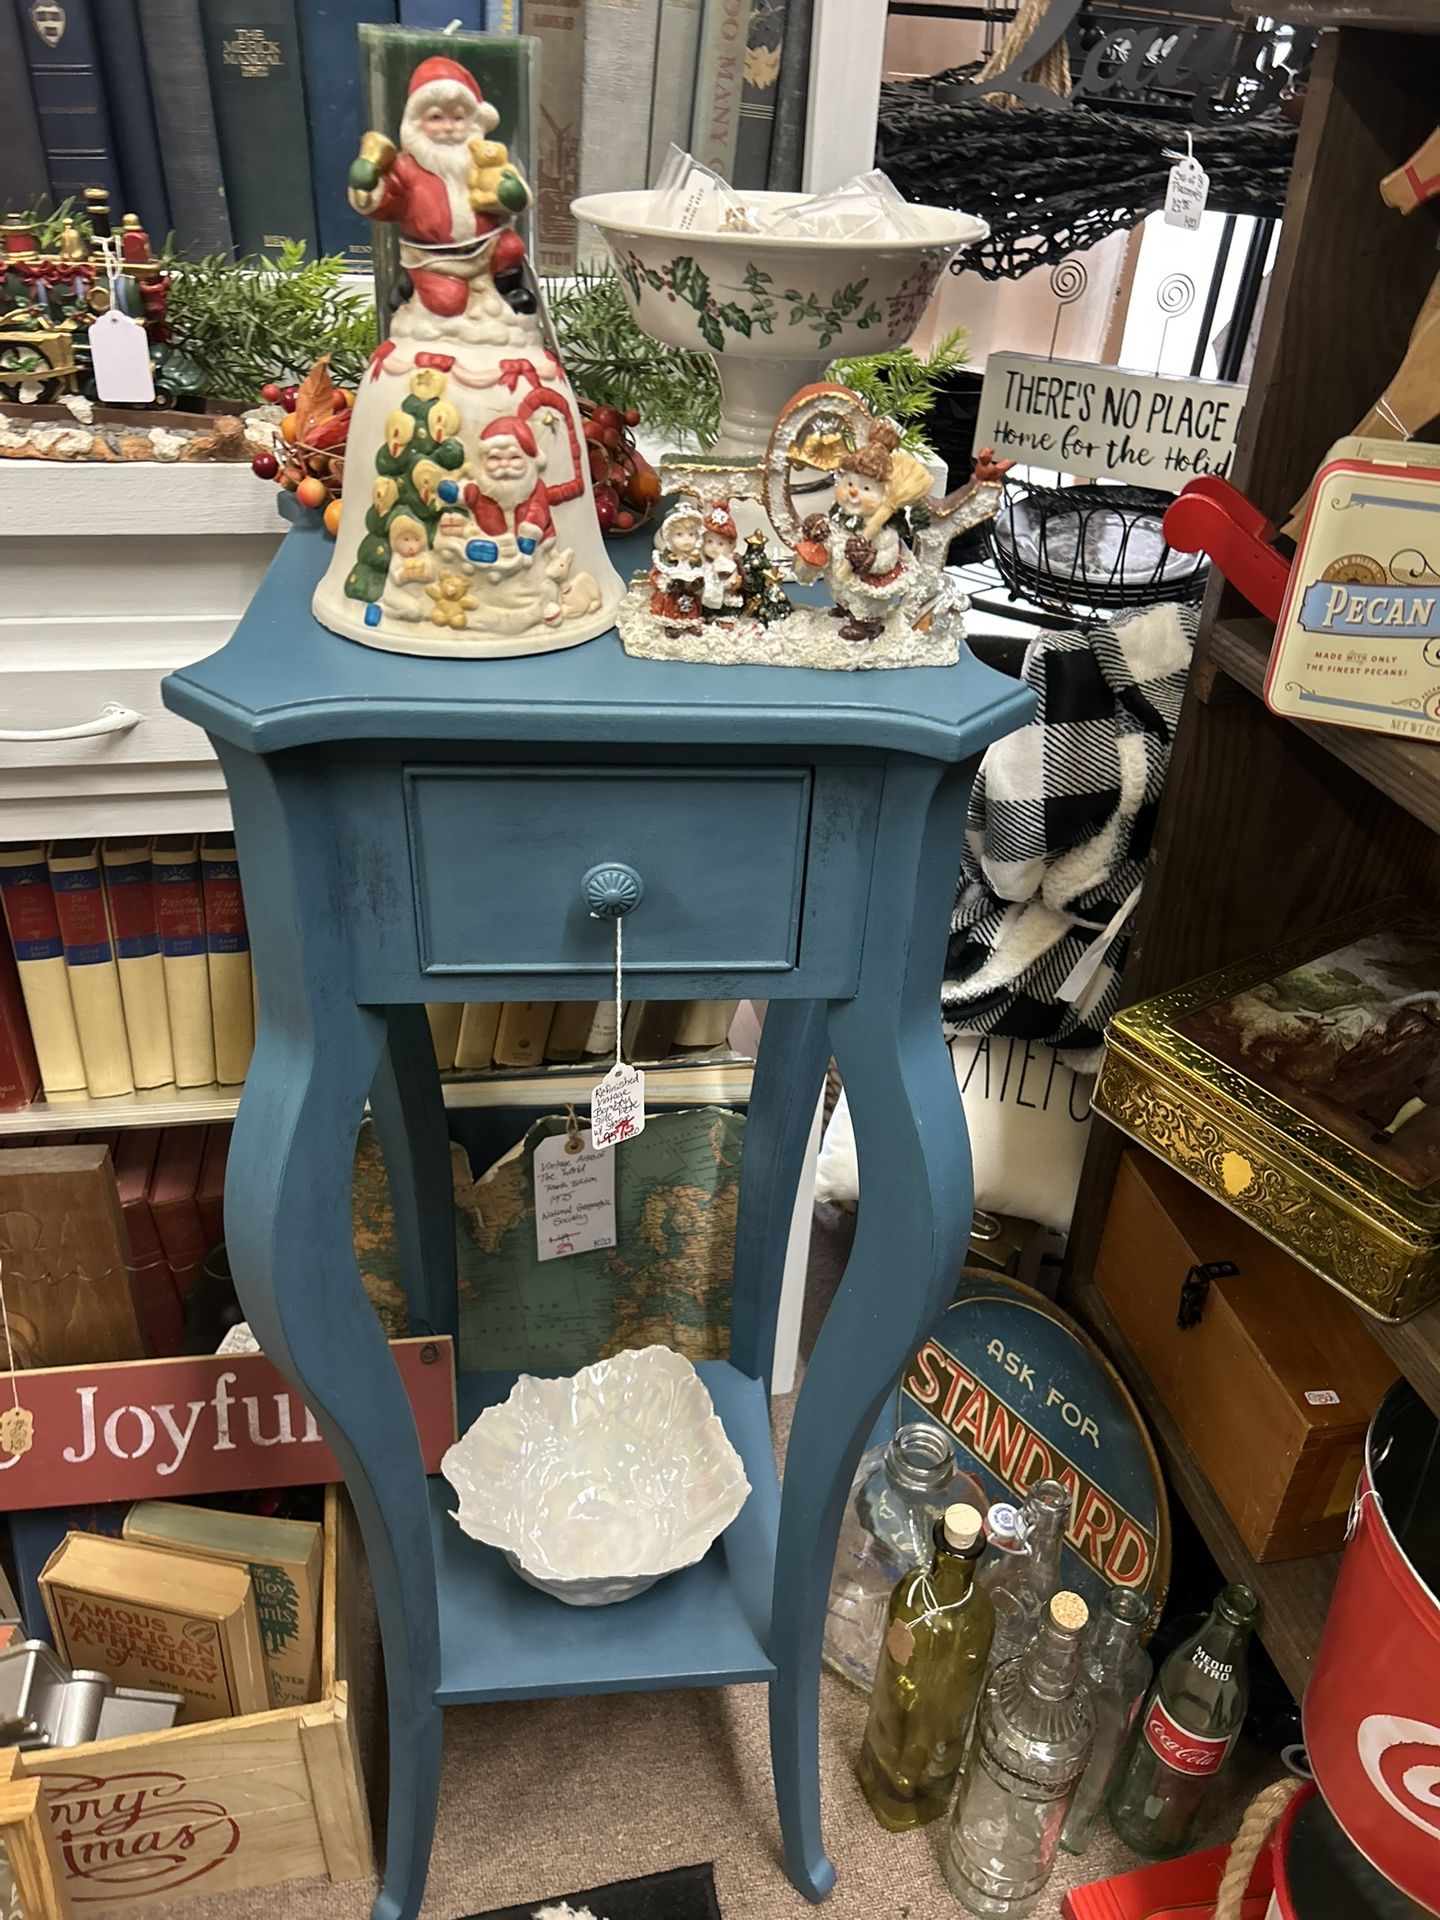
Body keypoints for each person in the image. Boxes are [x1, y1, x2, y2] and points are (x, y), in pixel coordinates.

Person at [347, 57, 530, 328]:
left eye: (459, 117)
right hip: (435, 258)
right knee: (447, 303)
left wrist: (510, 192)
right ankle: (414, 285)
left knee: (512, 247)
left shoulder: (483, 160)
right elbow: (384, 203)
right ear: (416, 122)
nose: (449, 127)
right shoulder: (407, 168)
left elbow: (514, 197)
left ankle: (507, 291)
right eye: (436, 117)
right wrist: (367, 182)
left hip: (486, 247)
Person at [649, 504, 706, 634]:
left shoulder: (696, 558)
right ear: (669, 536)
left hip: (690, 594)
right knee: (671, 605)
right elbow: (654, 575)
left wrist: (698, 583)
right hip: (672, 596)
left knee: (691, 606)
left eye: (691, 534)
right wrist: (666, 583)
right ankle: (672, 625)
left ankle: (690, 623)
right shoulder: (664, 558)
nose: (686, 539)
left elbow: (701, 574)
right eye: (679, 534)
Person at [700, 503, 744, 616]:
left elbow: (731, 581)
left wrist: (731, 584)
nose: (714, 547)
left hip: (722, 597)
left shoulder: (728, 564)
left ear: (731, 545)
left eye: (720, 543)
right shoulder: (703, 562)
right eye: (709, 541)